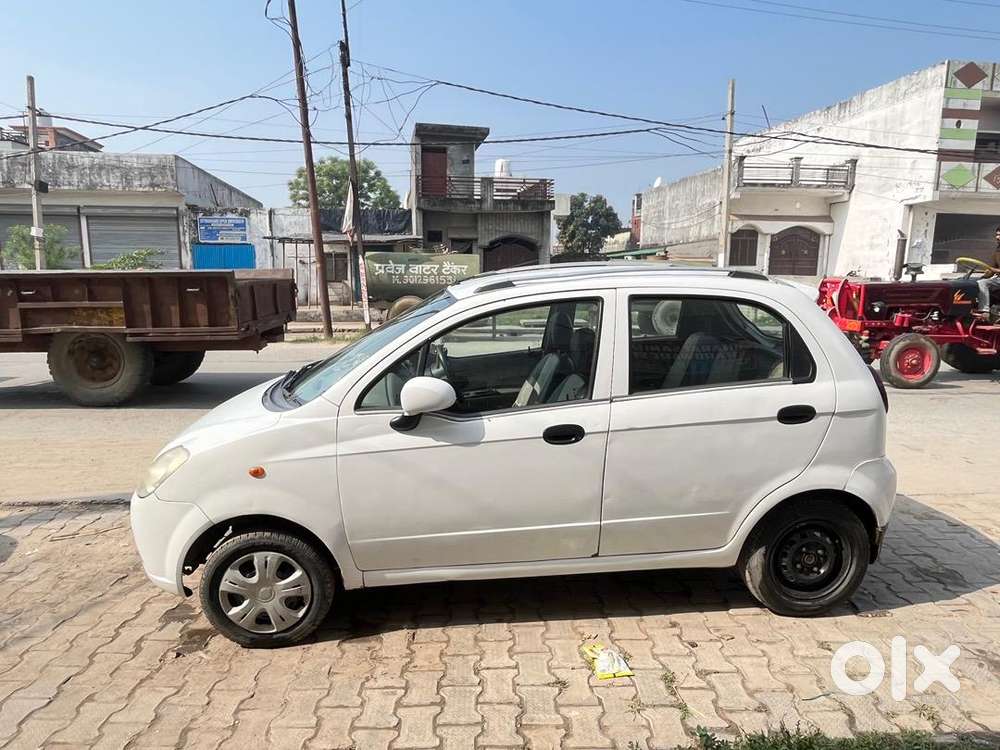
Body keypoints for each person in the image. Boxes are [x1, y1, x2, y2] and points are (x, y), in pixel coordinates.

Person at [976, 227, 1000, 316]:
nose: (997, 237)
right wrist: (985, 274)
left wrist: (991, 269)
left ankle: (984, 311)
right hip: (998, 280)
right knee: (975, 283)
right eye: (997, 235)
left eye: (999, 235)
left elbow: (992, 269)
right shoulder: (997, 251)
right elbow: (991, 270)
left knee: (982, 283)